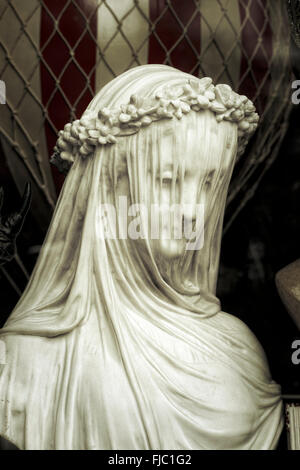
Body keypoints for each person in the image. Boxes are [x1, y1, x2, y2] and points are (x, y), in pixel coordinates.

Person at [0, 65, 283, 450]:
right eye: (167, 180)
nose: (192, 211)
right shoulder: (18, 365)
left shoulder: (239, 349)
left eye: (206, 183)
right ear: (108, 186)